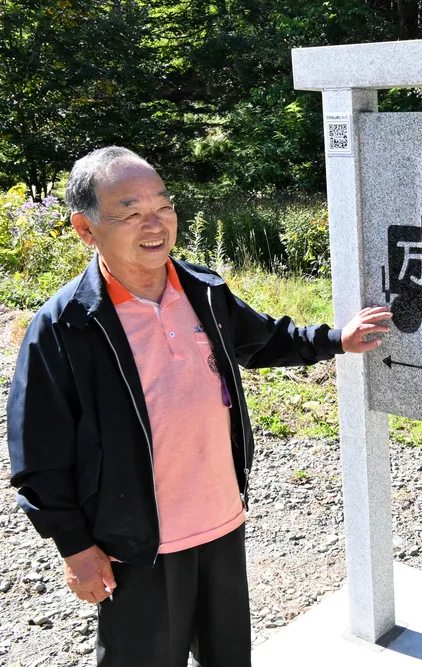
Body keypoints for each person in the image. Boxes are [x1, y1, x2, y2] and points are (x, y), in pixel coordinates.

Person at [6, 146, 392, 666]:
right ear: (85, 228)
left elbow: (263, 340)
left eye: (163, 206)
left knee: (228, 657)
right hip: (136, 542)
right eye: (130, 210)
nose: (155, 223)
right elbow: (40, 456)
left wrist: (334, 340)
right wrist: (75, 548)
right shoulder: (65, 326)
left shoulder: (201, 290)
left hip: (219, 520)